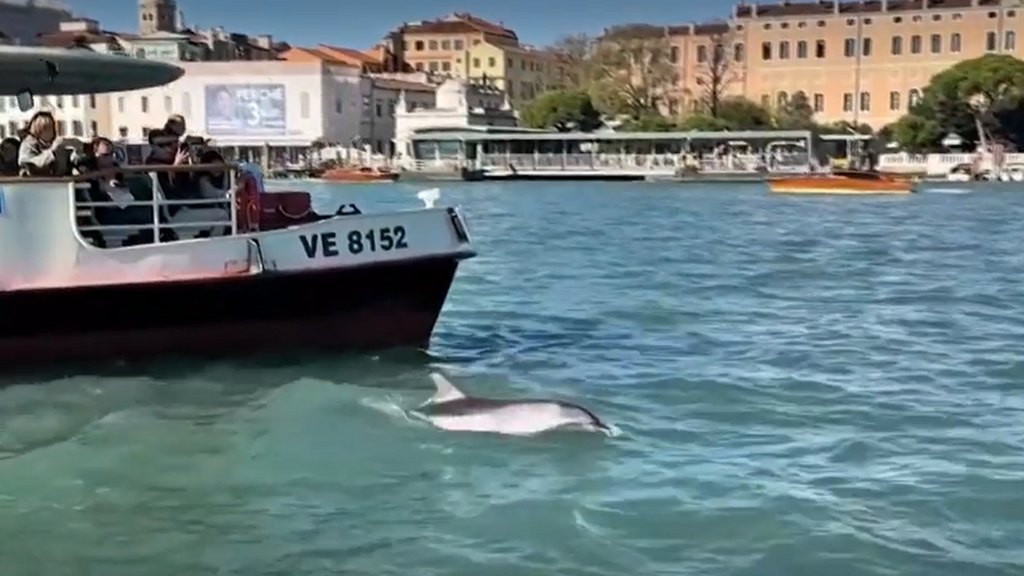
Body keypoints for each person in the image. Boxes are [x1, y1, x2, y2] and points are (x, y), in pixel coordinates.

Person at [18, 111, 81, 176]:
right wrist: (52, 152)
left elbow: (69, 164)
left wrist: (77, 151)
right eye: (48, 128)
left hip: (60, 184)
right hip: (39, 184)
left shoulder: (54, 144)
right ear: (39, 130)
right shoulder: (28, 146)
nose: (52, 131)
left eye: (52, 127)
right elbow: (29, 165)